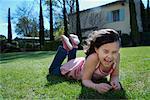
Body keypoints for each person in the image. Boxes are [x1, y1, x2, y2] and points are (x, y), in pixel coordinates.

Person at [48, 29, 121, 94]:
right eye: (106, 51)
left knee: (70, 61)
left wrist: (115, 81)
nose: (110, 56)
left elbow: (115, 75)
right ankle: (64, 48)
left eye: (114, 52)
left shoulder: (117, 57)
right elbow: (85, 80)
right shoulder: (94, 58)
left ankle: (74, 46)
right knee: (53, 70)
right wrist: (96, 86)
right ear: (96, 49)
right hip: (75, 69)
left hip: (82, 64)